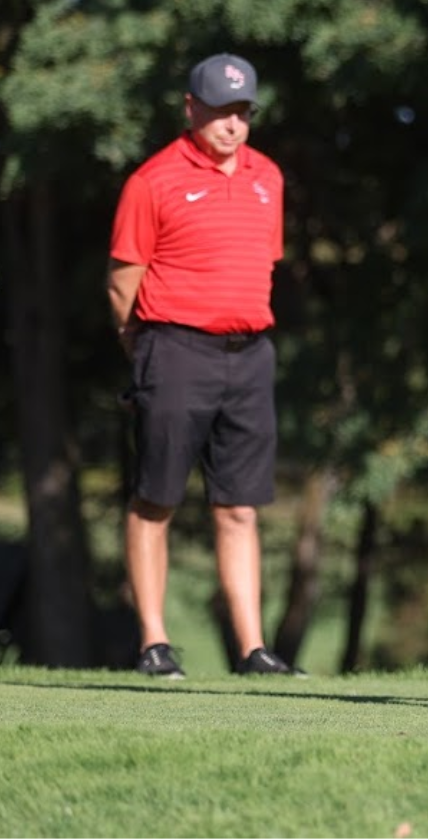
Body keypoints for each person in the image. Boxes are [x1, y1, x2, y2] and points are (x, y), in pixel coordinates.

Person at [106, 52, 301, 678]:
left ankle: (252, 649)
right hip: (174, 350)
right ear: (192, 108)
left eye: (242, 112)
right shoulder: (153, 180)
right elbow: (123, 280)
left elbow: (262, 261)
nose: (233, 124)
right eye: (220, 111)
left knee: (240, 507)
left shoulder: (267, 176)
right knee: (156, 499)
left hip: (250, 355)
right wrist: (142, 347)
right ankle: (154, 642)